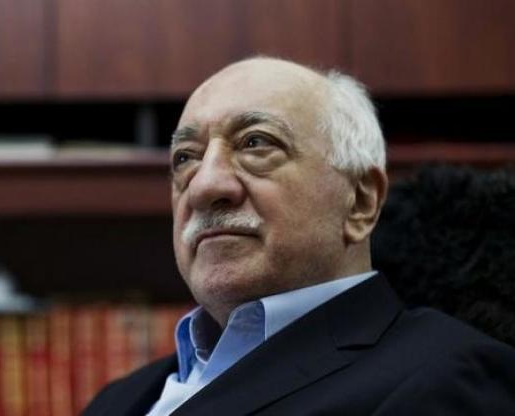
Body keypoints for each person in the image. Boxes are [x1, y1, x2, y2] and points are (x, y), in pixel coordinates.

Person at [82, 57, 515, 415]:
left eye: (255, 143)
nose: (204, 186)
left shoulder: (448, 378)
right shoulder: (116, 400)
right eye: (185, 158)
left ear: (360, 202)